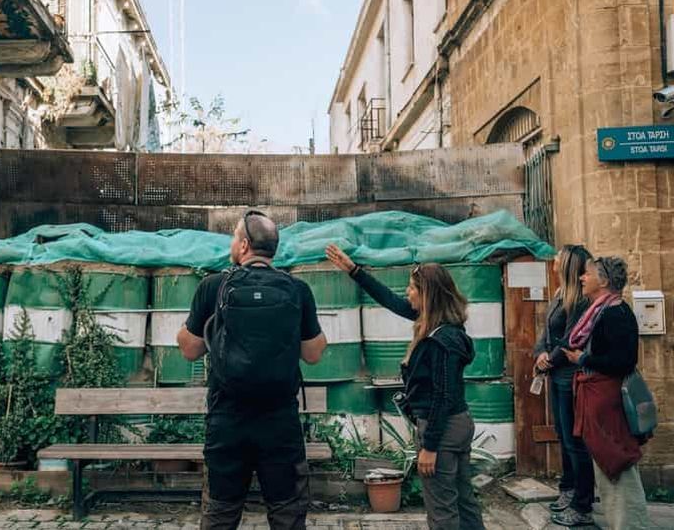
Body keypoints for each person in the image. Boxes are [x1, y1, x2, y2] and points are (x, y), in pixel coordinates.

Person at [177, 210, 327, 530]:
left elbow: (189, 349)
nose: (232, 243)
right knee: (287, 514)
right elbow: (313, 354)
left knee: (221, 514)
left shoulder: (214, 287)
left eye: (234, 237)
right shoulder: (297, 290)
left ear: (244, 245)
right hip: (280, 424)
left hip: (227, 422)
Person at [325, 244, 485, 530]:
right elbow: (391, 301)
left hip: (442, 429)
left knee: (442, 510)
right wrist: (354, 271)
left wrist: (430, 447)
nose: (407, 293)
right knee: (464, 502)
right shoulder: (443, 326)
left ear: (427, 295)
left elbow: (442, 396)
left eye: (412, 288)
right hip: (457, 424)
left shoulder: (440, 340)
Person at [563, 256, 650, 529]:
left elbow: (623, 361)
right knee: (607, 467)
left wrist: (583, 359)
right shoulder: (602, 311)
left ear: (603, 280)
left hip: (608, 403)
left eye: (587, 274)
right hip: (599, 401)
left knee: (617, 461)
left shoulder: (615, 314)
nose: (582, 278)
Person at [533, 245, 595, 526]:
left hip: (570, 377)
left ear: (568, 263)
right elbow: (547, 332)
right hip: (556, 375)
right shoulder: (560, 293)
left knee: (575, 440)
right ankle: (568, 488)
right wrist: (540, 353)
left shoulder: (579, 300)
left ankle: (582, 503)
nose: (554, 259)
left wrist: (549, 360)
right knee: (563, 434)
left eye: (558, 257)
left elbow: (572, 338)